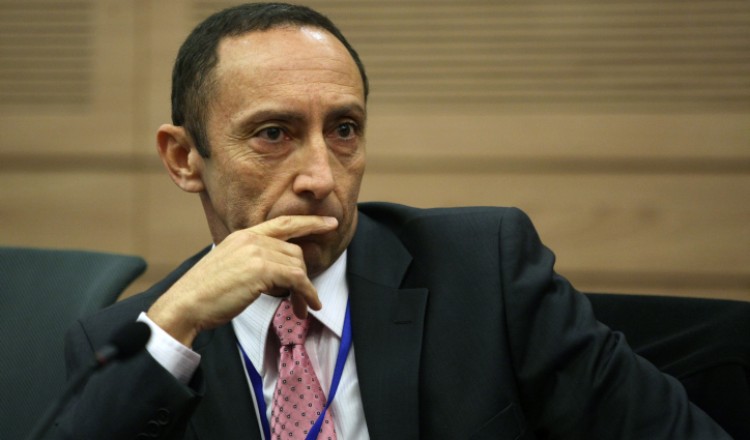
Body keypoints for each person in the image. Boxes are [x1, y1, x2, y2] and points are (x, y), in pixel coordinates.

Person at [55, 3, 733, 439]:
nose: (321, 177)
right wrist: (174, 327)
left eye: (343, 130)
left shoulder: (486, 273)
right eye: (273, 134)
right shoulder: (132, 342)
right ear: (184, 159)